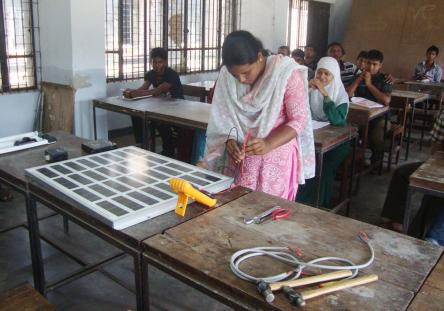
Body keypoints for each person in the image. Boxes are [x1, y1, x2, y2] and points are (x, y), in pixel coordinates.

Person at [200, 31, 315, 201]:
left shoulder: (285, 73)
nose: (240, 80)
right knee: (237, 206)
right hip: (241, 159)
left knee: (269, 210)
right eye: (235, 75)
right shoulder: (226, 76)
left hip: (276, 159)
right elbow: (223, 118)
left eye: (246, 72)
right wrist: (230, 140)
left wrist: (269, 143)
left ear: (260, 57)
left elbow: (299, 119)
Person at [380, 109, 444, 245]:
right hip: (440, 163)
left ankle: (422, 236)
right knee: (402, 174)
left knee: (434, 195)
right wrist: (433, 169)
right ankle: (398, 222)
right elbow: (437, 146)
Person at [297, 57, 350, 208]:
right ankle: (299, 200)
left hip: (338, 143)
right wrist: (305, 87)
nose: (322, 77)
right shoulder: (310, 91)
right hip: (316, 137)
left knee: (323, 168)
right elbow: (300, 110)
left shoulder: (341, 95)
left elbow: (337, 120)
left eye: (327, 74)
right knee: (302, 162)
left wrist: (325, 94)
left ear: (334, 76)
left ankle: (319, 204)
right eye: (320, 72)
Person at [123, 47, 184, 158]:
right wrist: (131, 92)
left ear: (165, 62)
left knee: (161, 122)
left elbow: (157, 91)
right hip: (162, 106)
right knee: (136, 114)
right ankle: (142, 143)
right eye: (154, 62)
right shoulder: (151, 74)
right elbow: (144, 88)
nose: (156, 65)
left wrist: (135, 93)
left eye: (159, 62)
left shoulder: (171, 74)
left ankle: (168, 152)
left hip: (177, 107)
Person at [347, 49, 392, 164]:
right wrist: (358, 80)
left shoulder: (384, 79)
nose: (370, 67)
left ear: (380, 65)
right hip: (359, 115)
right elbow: (347, 95)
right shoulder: (357, 76)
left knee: (377, 134)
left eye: (374, 64)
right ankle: (353, 160)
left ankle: (376, 160)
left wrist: (369, 84)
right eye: (368, 63)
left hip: (380, 117)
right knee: (348, 131)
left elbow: (386, 100)